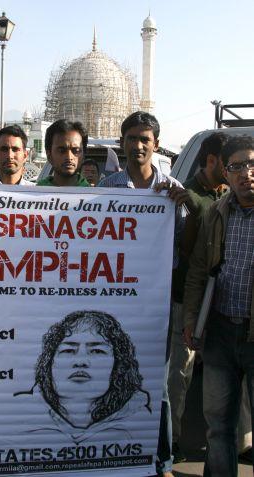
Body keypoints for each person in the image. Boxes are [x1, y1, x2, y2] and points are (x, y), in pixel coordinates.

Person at [99, 111, 184, 477]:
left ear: (156, 144)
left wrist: (185, 205)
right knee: (113, 378)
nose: (138, 145)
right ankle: (112, 456)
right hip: (115, 303)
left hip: (155, 305)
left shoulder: (172, 190)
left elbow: (184, 245)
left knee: (156, 385)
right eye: (131, 139)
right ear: (122, 143)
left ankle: (161, 462)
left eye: (144, 139)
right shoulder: (108, 188)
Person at [183, 135, 254, 477]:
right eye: (237, 166)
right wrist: (192, 319)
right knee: (219, 427)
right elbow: (199, 268)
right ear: (226, 173)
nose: (246, 173)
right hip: (221, 333)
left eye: (252, 163)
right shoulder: (216, 213)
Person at [15, 310, 151, 445]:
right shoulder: (18, 417)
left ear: (118, 364)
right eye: (68, 350)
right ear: (49, 362)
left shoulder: (140, 422)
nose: (80, 361)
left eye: (97, 351)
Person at [37, 119, 90, 187]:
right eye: (61, 151)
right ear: (49, 155)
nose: (69, 157)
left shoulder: (95, 195)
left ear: (83, 155)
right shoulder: (35, 193)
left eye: (76, 151)